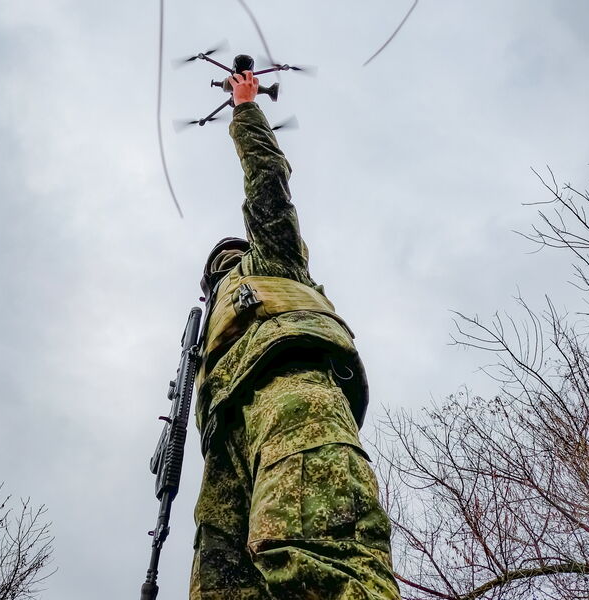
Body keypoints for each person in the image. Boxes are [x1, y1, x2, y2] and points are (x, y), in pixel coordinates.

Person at [190, 70, 400, 600]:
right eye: (215, 269)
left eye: (227, 259)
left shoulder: (272, 260)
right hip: (226, 438)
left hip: (291, 394)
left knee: (316, 557)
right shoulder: (205, 332)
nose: (221, 268)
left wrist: (245, 110)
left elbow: (268, 183)